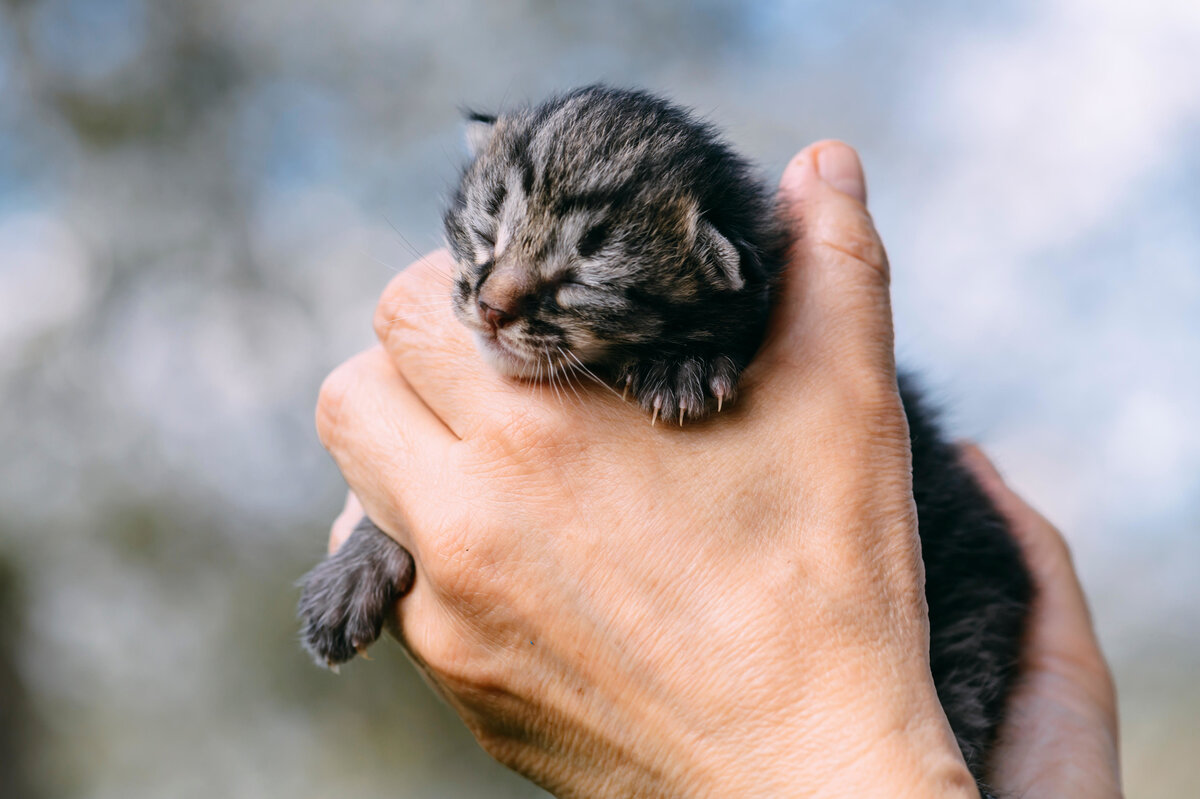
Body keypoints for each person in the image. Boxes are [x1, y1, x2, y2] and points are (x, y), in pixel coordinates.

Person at [315, 141, 1123, 798]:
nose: (496, 296)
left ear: (715, 279)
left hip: (942, 631)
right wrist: (396, 528)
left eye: (583, 271)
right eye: (485, 239)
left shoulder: (781, 371)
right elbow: (500, 492)